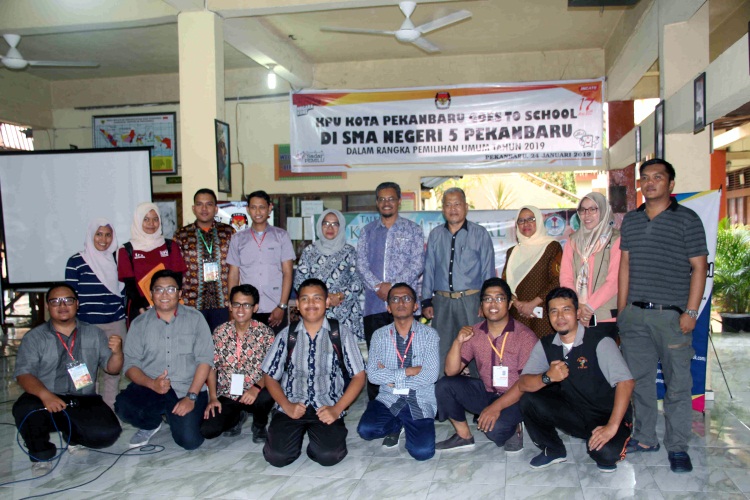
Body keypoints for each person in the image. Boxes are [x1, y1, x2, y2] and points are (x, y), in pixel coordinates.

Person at [617, 158, 708, 473]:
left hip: (672, 317)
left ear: (671, 184)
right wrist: (623, 311)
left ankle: (678, 446)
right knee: (639, 382)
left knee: (677, 384)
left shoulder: (688, 219)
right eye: (645, 178)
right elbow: (625, 266)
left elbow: (699, 267)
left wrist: (691, 311)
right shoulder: (630, 220)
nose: (650, 182)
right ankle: (644, 438)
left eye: (658, 177)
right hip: (635, 317)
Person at [518, 287, 634, 473]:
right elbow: (523, 383)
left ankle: (613, 434)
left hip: (607, 415)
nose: (560, 316)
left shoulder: (600, 341)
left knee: (606, 455)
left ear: (578, 313)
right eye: (554, 311)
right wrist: (547, 377)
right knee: (528, 400)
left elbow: (626, 383)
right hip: (575, 412)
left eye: (566, 310)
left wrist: (611, 427)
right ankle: (553, 449)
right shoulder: (547, 344)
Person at [13, 284, 122, 474]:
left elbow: (112, 369)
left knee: (107, 434)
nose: (62, 305)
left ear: (77, 304)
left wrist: (118, 353)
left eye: (68, 300)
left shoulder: (93, 333)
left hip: (83, 398)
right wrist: (45, 395)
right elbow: (24, 374)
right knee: (25, 409)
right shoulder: (35, 337)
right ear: (48, 306)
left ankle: (73, 437)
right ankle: (41, 455)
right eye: (55, 301)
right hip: (46, 397)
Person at [261, 278, 366, 467]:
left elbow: (359, 376)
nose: (311, 304)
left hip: (327, 406)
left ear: (326, 302)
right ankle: (289, 436)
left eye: (317, 298)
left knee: (328, 456)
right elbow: (269, 375)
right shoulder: (287, 335)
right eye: (305, 299)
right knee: (277, 457)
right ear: (298, 305)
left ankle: (317, 442)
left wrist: (337, 409)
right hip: (292, 405)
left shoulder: (340, 333)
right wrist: (286, 405)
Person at [435, 277, 538, 453]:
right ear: (481, 304)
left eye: (499, 298)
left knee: (495, 430)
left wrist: (495, 408)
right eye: (487, 299)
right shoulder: (475, 332)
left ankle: (515, 427)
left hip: (516, 397)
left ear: (509, 304)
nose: (493, 304)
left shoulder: (525, 337)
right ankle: (463, 436)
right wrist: (458, 341)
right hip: (488, 392)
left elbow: (525, 384)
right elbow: (451, 371)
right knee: (445, 385)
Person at [115, 270, 213, 450]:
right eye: (159, 290)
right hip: (152, 386)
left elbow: (205, 360)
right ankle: (151, 423)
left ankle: (172, 414)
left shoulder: (196, 319)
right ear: (151, 294)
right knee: (123, 406)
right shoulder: (139, 324)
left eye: (171, 289)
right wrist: (151, 383)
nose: (165, 295)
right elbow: (130, 365)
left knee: (190, 442)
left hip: (187, 388)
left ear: (180, 293)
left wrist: (191, 397)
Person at [357, 181, 424, 400]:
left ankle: (407, 403)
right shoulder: (367, 232)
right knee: (378, 359)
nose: (387, 203)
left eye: (391, 199)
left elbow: (417, 264)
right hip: (375, 305)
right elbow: (361, 264)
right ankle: (378, 406)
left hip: (404, 306)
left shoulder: (413, 230)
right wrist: (378, 287)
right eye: (382, 199)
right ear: (377, 203)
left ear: (399, 202)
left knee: (406, 357)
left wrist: (393, 289)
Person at [357, 283, 439, 459]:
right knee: (366, 430)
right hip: (389, 398)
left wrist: (391, 376)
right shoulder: (379, 336)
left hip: (420, 400)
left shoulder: (429, 335)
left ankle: (409, 425)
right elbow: (373, 375)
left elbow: (430, 375)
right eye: (395, 299)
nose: (401, 302)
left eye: (407, 298)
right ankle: (397, 426)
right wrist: (409, 371)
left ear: (415, 306)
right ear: (388, 307)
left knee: (422, 453)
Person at [422, 187, 495, 377]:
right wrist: (426, 300)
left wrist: (485, 302)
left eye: (457, 204)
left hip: (472, 302)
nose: (453, 209)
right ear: (443, 209)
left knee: (477, 349)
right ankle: (441, 400)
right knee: (441, 349)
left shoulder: (480, 234)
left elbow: (488, 270)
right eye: (448, 204)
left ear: (466, 207)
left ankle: (481, 398)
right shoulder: (436, 235)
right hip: (442, 302)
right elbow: (429, 268)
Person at [201, 284, 275, 442]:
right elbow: (212, 367)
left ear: (255, 308)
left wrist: (256, 388)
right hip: (228, 392)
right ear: (229, 306)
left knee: (267, 395)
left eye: (246, 305)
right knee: (208, 431)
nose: (240, 310)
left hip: (256, 392)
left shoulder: (265, 333)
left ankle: (259, 425)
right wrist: (213, 397)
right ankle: (237, 417)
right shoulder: (220, 332)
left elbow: (272, 369)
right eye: (236, 304)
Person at [65, 218, 126, 410]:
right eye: (99, 234)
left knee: (113, 371)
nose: (104, 239)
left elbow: (123, 293)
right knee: (85, 372)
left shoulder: (118, 259)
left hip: (115, 323)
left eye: (108, 235)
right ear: (91, 236)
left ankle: (109, 411)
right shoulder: (76, 261)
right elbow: (70, 296)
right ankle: (89, 411)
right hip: (86, 325)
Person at [227, 191, 295, 334]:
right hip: (246, 309)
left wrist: (282, 306)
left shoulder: (281, 236)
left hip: (274, 308)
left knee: (276, 352)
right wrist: (232, 306)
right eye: (253, 207)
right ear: (247, 209)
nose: (257, 212)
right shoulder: (238, 239)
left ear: (270, 208)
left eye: (262, 207)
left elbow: (288, 273)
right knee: (248, 353)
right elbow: (233, 274)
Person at [294, 209, 364, 340]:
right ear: (320, 226)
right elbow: (299, 282)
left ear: (341, 226)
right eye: (325, 223)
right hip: (315, 311)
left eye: (334, 224)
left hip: (345, 312)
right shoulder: (309, 251)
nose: (329, 228)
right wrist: (320, 298)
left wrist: (339, 296)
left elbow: (358, 281)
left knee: (347, 356)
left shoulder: (349, 251)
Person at [173, 188, 236, 332]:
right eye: (199, 204)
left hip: (223, 303)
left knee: (222, 344)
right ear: (193, 208)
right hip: (192, 303)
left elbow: (237, 268)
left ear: (215, 208)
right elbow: (175, 270)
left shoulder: (229, 233)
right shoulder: (181, 235)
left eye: (208, 204)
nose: (204, 209)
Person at [560, 193, 621, 340]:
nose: (587, 214)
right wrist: (577, 306)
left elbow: (614, 281)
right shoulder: (573, 241)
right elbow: (566, 278)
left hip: (605, 317)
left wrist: (588, 307)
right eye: (583, 210)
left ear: (604, 210)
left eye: (593, 209)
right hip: (578, 317)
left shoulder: (616, 239)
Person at [118, 202, 187, 327]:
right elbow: (130, 285)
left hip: (168, 305)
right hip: (140, 308)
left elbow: (177, 278)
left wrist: (169, 303)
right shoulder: (126, 250)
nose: (151, 224)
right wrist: (142, 307)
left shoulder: (170, 246)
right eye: (146, 219)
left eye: (155, 219)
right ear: (138, 221)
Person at [502, 205, 562, 338]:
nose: (526, 224)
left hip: (543, 314)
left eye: (531, 219)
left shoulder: (552, 247)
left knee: (544, 354)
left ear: (539, 221)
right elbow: (505, 283)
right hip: (518, 313)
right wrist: (517, 304)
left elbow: (557, 280)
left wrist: (532, 304)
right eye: (521, 220)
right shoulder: (512, 252)